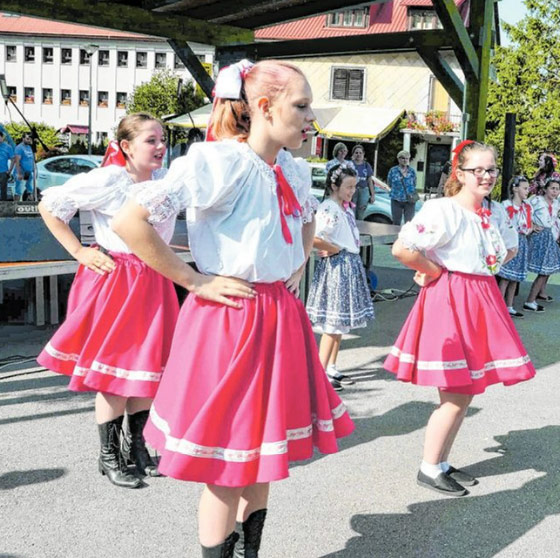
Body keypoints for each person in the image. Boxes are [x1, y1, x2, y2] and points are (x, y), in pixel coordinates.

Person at [112, 59, 354, 557]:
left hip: (276, 315)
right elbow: (129, 222)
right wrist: (193, 280)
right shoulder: (218, 161)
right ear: (264, 107)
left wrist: (294, 262)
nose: (313, 119)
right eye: (302, 106)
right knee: (227, 464)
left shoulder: (289, 166)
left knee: (265, 456)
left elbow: (306, 220)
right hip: (231, 317)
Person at [384, 140, 536, 498]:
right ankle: (429, 466)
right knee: (455, 393)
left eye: (491, 170)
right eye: (478, 170)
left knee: (465, 393)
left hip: (477, 299)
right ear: (461, 174)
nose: (486, 176)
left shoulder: (488, 213)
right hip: (453, 302)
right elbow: (403, 248)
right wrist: (434, 271)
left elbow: (500, 255)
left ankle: (440, 461)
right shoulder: (444, 210)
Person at [36, 113, 177, 489]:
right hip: (119, 282)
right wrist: (79, 251)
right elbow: (50, 205)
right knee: (115, 377)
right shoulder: (110, 180)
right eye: (151, 140)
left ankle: (137, 448)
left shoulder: (167, 181)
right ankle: (109, 455)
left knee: (148, 371)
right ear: (126, 146)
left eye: (162, 139)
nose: (160, 146)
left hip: (155, 279)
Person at [306, 165, 375, 391]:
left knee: (341, 321)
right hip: (338, 266)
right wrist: (334, 249)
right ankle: (319, 372)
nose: (352, 191)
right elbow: (314, 238)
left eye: (354, 187)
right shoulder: (329, 208)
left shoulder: (343, 208)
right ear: (335, 186)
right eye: (349, 187)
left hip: (346, 264)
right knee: (333, 322)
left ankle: (331, 366)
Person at [523, 173, 560, 313]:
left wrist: (557, 234)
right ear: (545, 189)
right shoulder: (536, 200)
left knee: (547, 269)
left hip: (550, 237)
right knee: (542, 269)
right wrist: (532, 224)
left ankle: (536, 296)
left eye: (557, 189)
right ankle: (530, 300)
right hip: (538, 237)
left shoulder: (557, 203)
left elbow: (555, 219)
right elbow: (524, 210)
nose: (555, 191)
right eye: (552, 188)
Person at [497, 175, 533, 318]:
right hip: (510, 241)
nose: (527, 191)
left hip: (522, 240)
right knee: (505, 276)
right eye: (525, 188)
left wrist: (529, 228)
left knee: (515, 278)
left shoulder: (527, 207)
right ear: (515, 189)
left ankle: (509, 305)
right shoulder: (505, 205)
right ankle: (498, 305)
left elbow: (528, 225)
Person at [387, 149, 418, 225]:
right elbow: (389, 182)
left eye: (407, 158)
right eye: (403, 158)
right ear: (398, 159)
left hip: (409, 200)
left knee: (409, 223)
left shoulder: (412, 171)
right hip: (396, 200)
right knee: (396, 222)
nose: (405, 160)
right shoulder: (393, 170)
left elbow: (414, 183)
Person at [350, 144, 375, 219]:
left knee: (361, 212)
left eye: (360, 153)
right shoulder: (350, 164)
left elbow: (370, 181)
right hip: (352, 190)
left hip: (364, 190)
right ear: (353, 154)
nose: (358, 154)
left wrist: (372, 195)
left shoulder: (367, 165)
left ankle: (359, 229)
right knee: (351, 211)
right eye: (356, 152)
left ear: (363, 154)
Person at [14, 132, 37, 202]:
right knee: (18, 190)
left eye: (30, 139)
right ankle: (16, 205)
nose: (29, 140)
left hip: (29, 172)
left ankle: (31, 203)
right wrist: (19, 173)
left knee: (30, 189)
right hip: (21, 171)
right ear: (23, 138)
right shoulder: (19, 148)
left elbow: (32, 159)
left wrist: (34, 170)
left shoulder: (30, 147)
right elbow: (17, 161)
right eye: (27, 139)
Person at [0, 129, 14, 201]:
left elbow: (12, 159)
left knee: (3, 190)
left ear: (2, 137)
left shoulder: (8, 147)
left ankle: (3, 207)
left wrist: (9, 170)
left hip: (3, 172)